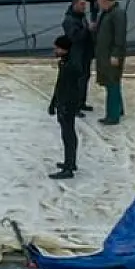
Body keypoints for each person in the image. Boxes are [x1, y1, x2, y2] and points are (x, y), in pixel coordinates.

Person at [47, 35, 86, 179]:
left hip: (67, 104)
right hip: (63, 102)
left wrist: (63, 104)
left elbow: (67, 87)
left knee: (68, 134)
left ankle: (69, 167)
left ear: (64, 49)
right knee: (67, 133)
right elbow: (59, 85)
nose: (55, 50)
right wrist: (53, 103)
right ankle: (70, 162)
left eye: (57, 48)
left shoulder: (70, 66)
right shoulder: (64, 63)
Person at [93, 0, 129, 125]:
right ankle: (118, 109)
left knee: (112, 82)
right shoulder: (107, 13)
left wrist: (115, 54)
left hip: (111, 55)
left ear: (104, 0)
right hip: (105, 54)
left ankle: (112, 116)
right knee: (112, 83)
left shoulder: (117, 14)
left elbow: (119, 36)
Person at [60, 0, 95, 115]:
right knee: (77, 80)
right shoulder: (69, 20)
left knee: (85, 77)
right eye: (81, 4)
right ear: (74, 5)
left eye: (85, 4)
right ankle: (74, 106)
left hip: (85, 52)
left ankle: (81, 102)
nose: (84, 7)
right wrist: (87, 30)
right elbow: (74, 37)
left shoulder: (81, 17)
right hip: (76, 53)